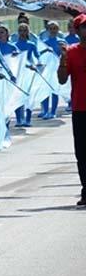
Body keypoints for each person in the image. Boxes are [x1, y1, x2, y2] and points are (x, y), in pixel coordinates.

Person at [56, 13, 86, 207]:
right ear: (77, 30)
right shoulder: (71, 52)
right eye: (84, 27)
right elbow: (61, 79)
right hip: (81, 108)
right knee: (82, 153)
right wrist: (63, 60)